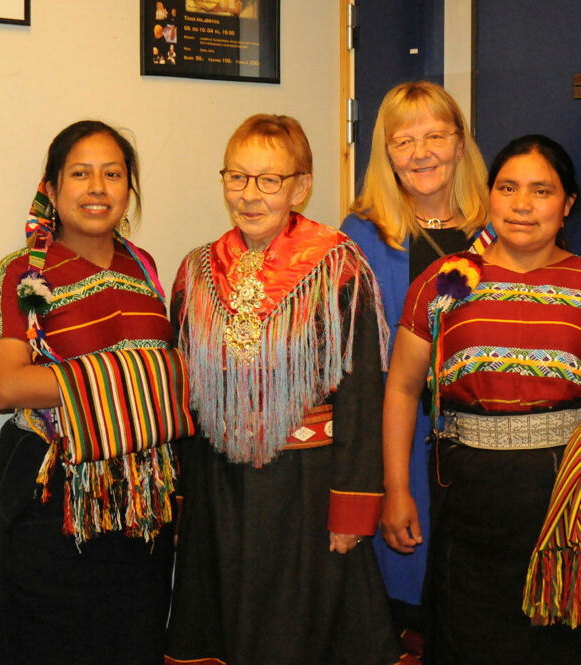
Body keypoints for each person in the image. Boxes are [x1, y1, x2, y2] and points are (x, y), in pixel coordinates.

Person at [383, 134, 581, 665]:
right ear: (489, 196)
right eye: (508, 188)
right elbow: (400, 388)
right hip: (469, 498)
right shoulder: (441, 284)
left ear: (567, 205)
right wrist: (397, 489)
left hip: (575, 496)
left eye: (541, 191)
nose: (522, 205)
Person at [165, 114, 413, 665]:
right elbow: (183, 395)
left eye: (269, 180)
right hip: (219, 487)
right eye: (237, 177)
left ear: (301, 186)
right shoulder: (195, 271)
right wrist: (183, 497)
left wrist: (352, 508)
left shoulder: (337, 265)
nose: (250, 195)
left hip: (306, 487)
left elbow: (364, 393)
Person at [0, 120, 185, 664]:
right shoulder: (21, 272)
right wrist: (130, 378)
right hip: (52, 504)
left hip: (139, 508)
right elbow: (4, 386)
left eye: (113, 174)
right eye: (80, 174)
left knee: (133, 643)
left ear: (128, 190)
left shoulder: (144, 267)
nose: (98, 188)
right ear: (50, 189)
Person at [340, 80, 490, 649]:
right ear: (385, 153)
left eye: (435, 136)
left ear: (459, 143)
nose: (421, 153)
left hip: (484, 440)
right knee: (407, 605)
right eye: (404, 142)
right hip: (400, 436)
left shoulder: (498, 228)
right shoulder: (359, 235)